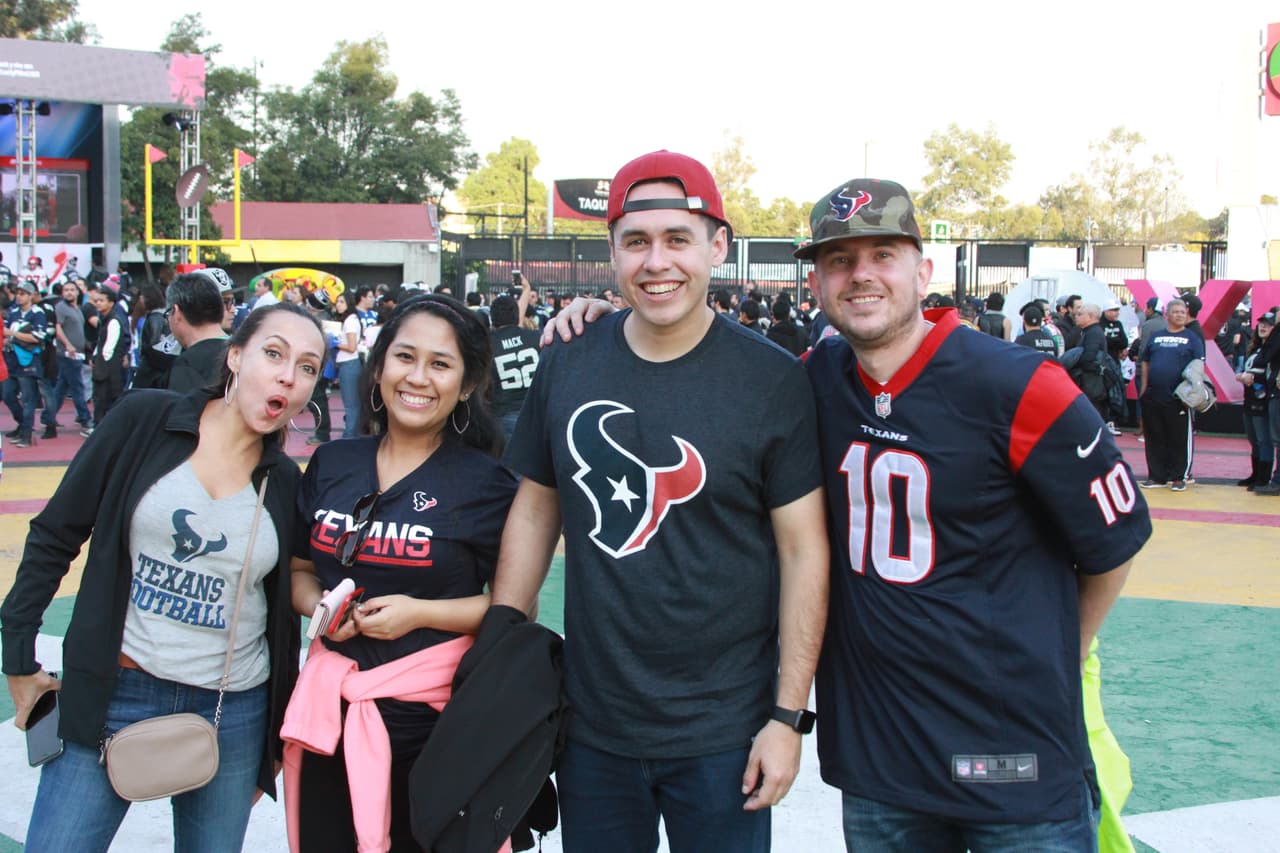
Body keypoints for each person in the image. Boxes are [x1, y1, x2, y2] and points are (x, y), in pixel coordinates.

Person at [792, 177, 1150, 851]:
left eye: (882, 255)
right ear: (816, 281)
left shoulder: (1016, 384)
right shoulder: (818, 376)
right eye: (839, 259)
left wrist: (1064, 647)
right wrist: (600, 322)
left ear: (924, 271)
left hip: (1012, 761)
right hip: (881, 762)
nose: (860, 275)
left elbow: (1115, 541)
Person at [494, 150, 829, 853]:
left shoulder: (771, 380)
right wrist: (501, 645)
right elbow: (534, 508)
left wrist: (787, 716)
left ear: (717, 245)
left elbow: (804, 551)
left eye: (678, 239)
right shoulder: (569, 358)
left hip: (725, 733)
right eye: (636, 242)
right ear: (612, 252)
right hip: (592, 725)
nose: (657, 262)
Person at [1, 303, 326, 852]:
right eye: (273, 353)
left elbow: (277, 615)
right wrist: (17, 657)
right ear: (235, 355)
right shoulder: (144, 422)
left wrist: (270, 737)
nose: (287, 376)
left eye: (308, 367)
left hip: (232, 710)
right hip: (113, 693)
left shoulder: (287, 485)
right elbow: (55, 534)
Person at [284, 294, 515, 852]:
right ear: (380, 366)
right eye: (404, 357)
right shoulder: (332, 463)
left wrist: (419, 614)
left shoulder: (488, 483)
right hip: (327, 717)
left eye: (440, 364)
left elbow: (511, 607)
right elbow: (297, 571)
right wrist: (321, 609)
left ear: (465, 385)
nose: (418, 377)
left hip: (438, 728)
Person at [1138, 298, 1203, 492]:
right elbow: (1146, 362)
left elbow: (1199, 366)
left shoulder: (1193, 338)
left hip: (1178, 398)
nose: (1180, 315)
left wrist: (1193, 393)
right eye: (1176, 312)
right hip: (1153, 395)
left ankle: (1178, 477)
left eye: (1183, 312)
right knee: (1154, 437)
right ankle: (1157, 476)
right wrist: (1144, 388)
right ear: (1167, 315)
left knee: (1178, 438)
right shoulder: (1156, 336)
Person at [3, 281, 51, 446]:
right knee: (7, 395)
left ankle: (26, 434)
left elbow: (38, 337)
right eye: (17, 293)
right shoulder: (13, 312)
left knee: (28, 399)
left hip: (28, 360)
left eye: (23, 293)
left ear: (31, 296)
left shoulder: (38, 313)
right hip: (11, 360)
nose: (19, 296)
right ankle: (22, 425)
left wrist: (13, 334)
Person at [488, 293, 541, 442]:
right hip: (538, 412)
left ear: (492, 318)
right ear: (517, 315)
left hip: (505, 414)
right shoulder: (536, 337)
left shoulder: (487, 344)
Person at [165, 274, 230, 395]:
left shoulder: (187, 364)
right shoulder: (244, 351)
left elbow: (183, 412)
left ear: (176, 312)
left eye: (168, 314)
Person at [1236, 312, 1275, 489]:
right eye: (1261, 323)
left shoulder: (1274, 349)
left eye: (1268, 324)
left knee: (1263, 439)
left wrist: (1250, 377)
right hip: (1249, 398)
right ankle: (1255, 474)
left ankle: (1263, 478)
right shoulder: (1255, 348)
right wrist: (1242, 376)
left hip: (1263, 399)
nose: (1263, 327)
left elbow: (1268, 374)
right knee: (1253, 439)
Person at [49, 279, 94, 431]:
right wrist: (68, 344)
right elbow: (58, 328)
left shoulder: (77, 308)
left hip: (78, 353)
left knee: (61, 388)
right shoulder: (61, 308)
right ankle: (85, 418)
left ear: (77, 292)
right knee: (78, 387)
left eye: (72, 289)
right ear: (62, 293)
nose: (69, 292)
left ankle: (47, 416)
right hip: (68, 353)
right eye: (66, 289)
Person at [129, 284, 175, 390]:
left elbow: (154, 342)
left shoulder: (155, 318)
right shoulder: (161, 316)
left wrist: (146, 350)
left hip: (152, 368)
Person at [333, 292, 364, 438]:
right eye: (337, 302)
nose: (338, 304)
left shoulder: (350, 321)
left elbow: (351, 347)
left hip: (349, 364)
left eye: (341, 302)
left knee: (351, 404)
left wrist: (336, 343)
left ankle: (349, 436)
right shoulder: (350, 320)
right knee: (351, 404)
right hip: (348, 364)